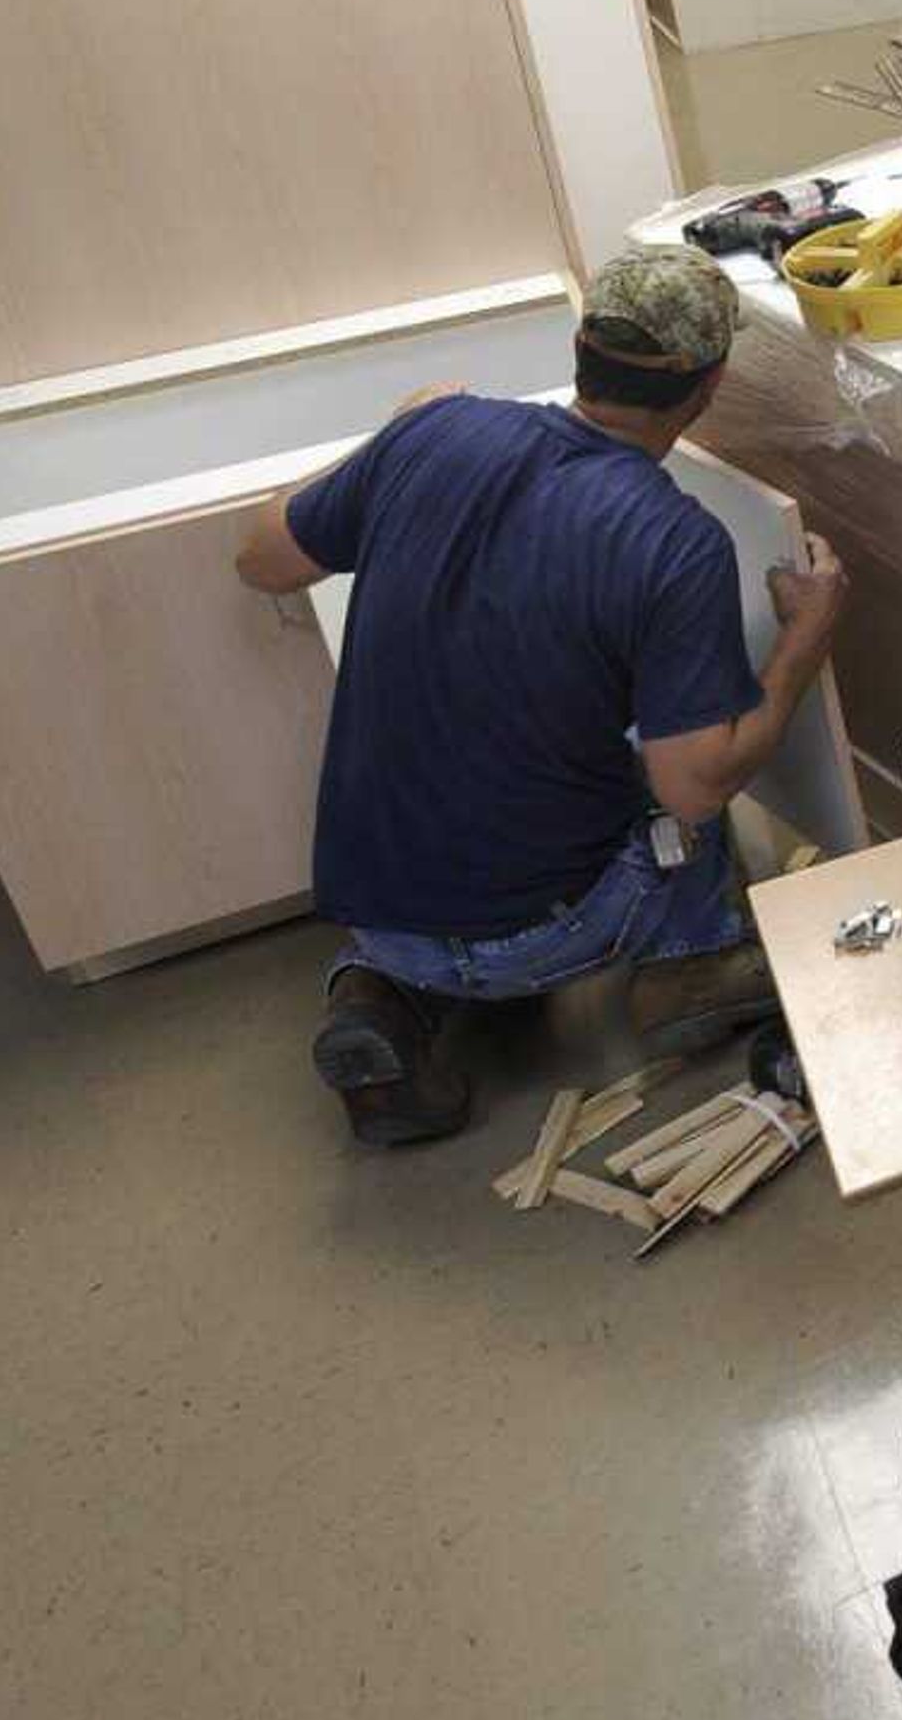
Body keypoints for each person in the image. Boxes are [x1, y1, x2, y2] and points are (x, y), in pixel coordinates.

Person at [234, 246, 846, 1145]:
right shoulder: (675, 540)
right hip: (552, 937)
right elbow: (694, 787)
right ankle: (684, 962)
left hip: (375, 911)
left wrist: (397, 446)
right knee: (682, 754)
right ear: (705, 389)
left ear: (581, 346)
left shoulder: (437, 436)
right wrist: (804, 641)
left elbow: (258, 560)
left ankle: (386, 996)